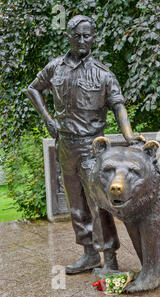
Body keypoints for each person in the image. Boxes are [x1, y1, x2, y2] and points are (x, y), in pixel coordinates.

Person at [26, 15, 140, 275]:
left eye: (86, 35)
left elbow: (118, 106)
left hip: (92, 148)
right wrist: (47, 119)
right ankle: (89, 254)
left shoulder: (103, 73)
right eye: (76, 35)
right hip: (66, 146)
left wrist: (129, 135)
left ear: (94, 38)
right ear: (68, 37)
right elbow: (33, 89)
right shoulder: (55, 67)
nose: (81, 40)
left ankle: (109, 258)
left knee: (98, 204)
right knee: (75, 204)